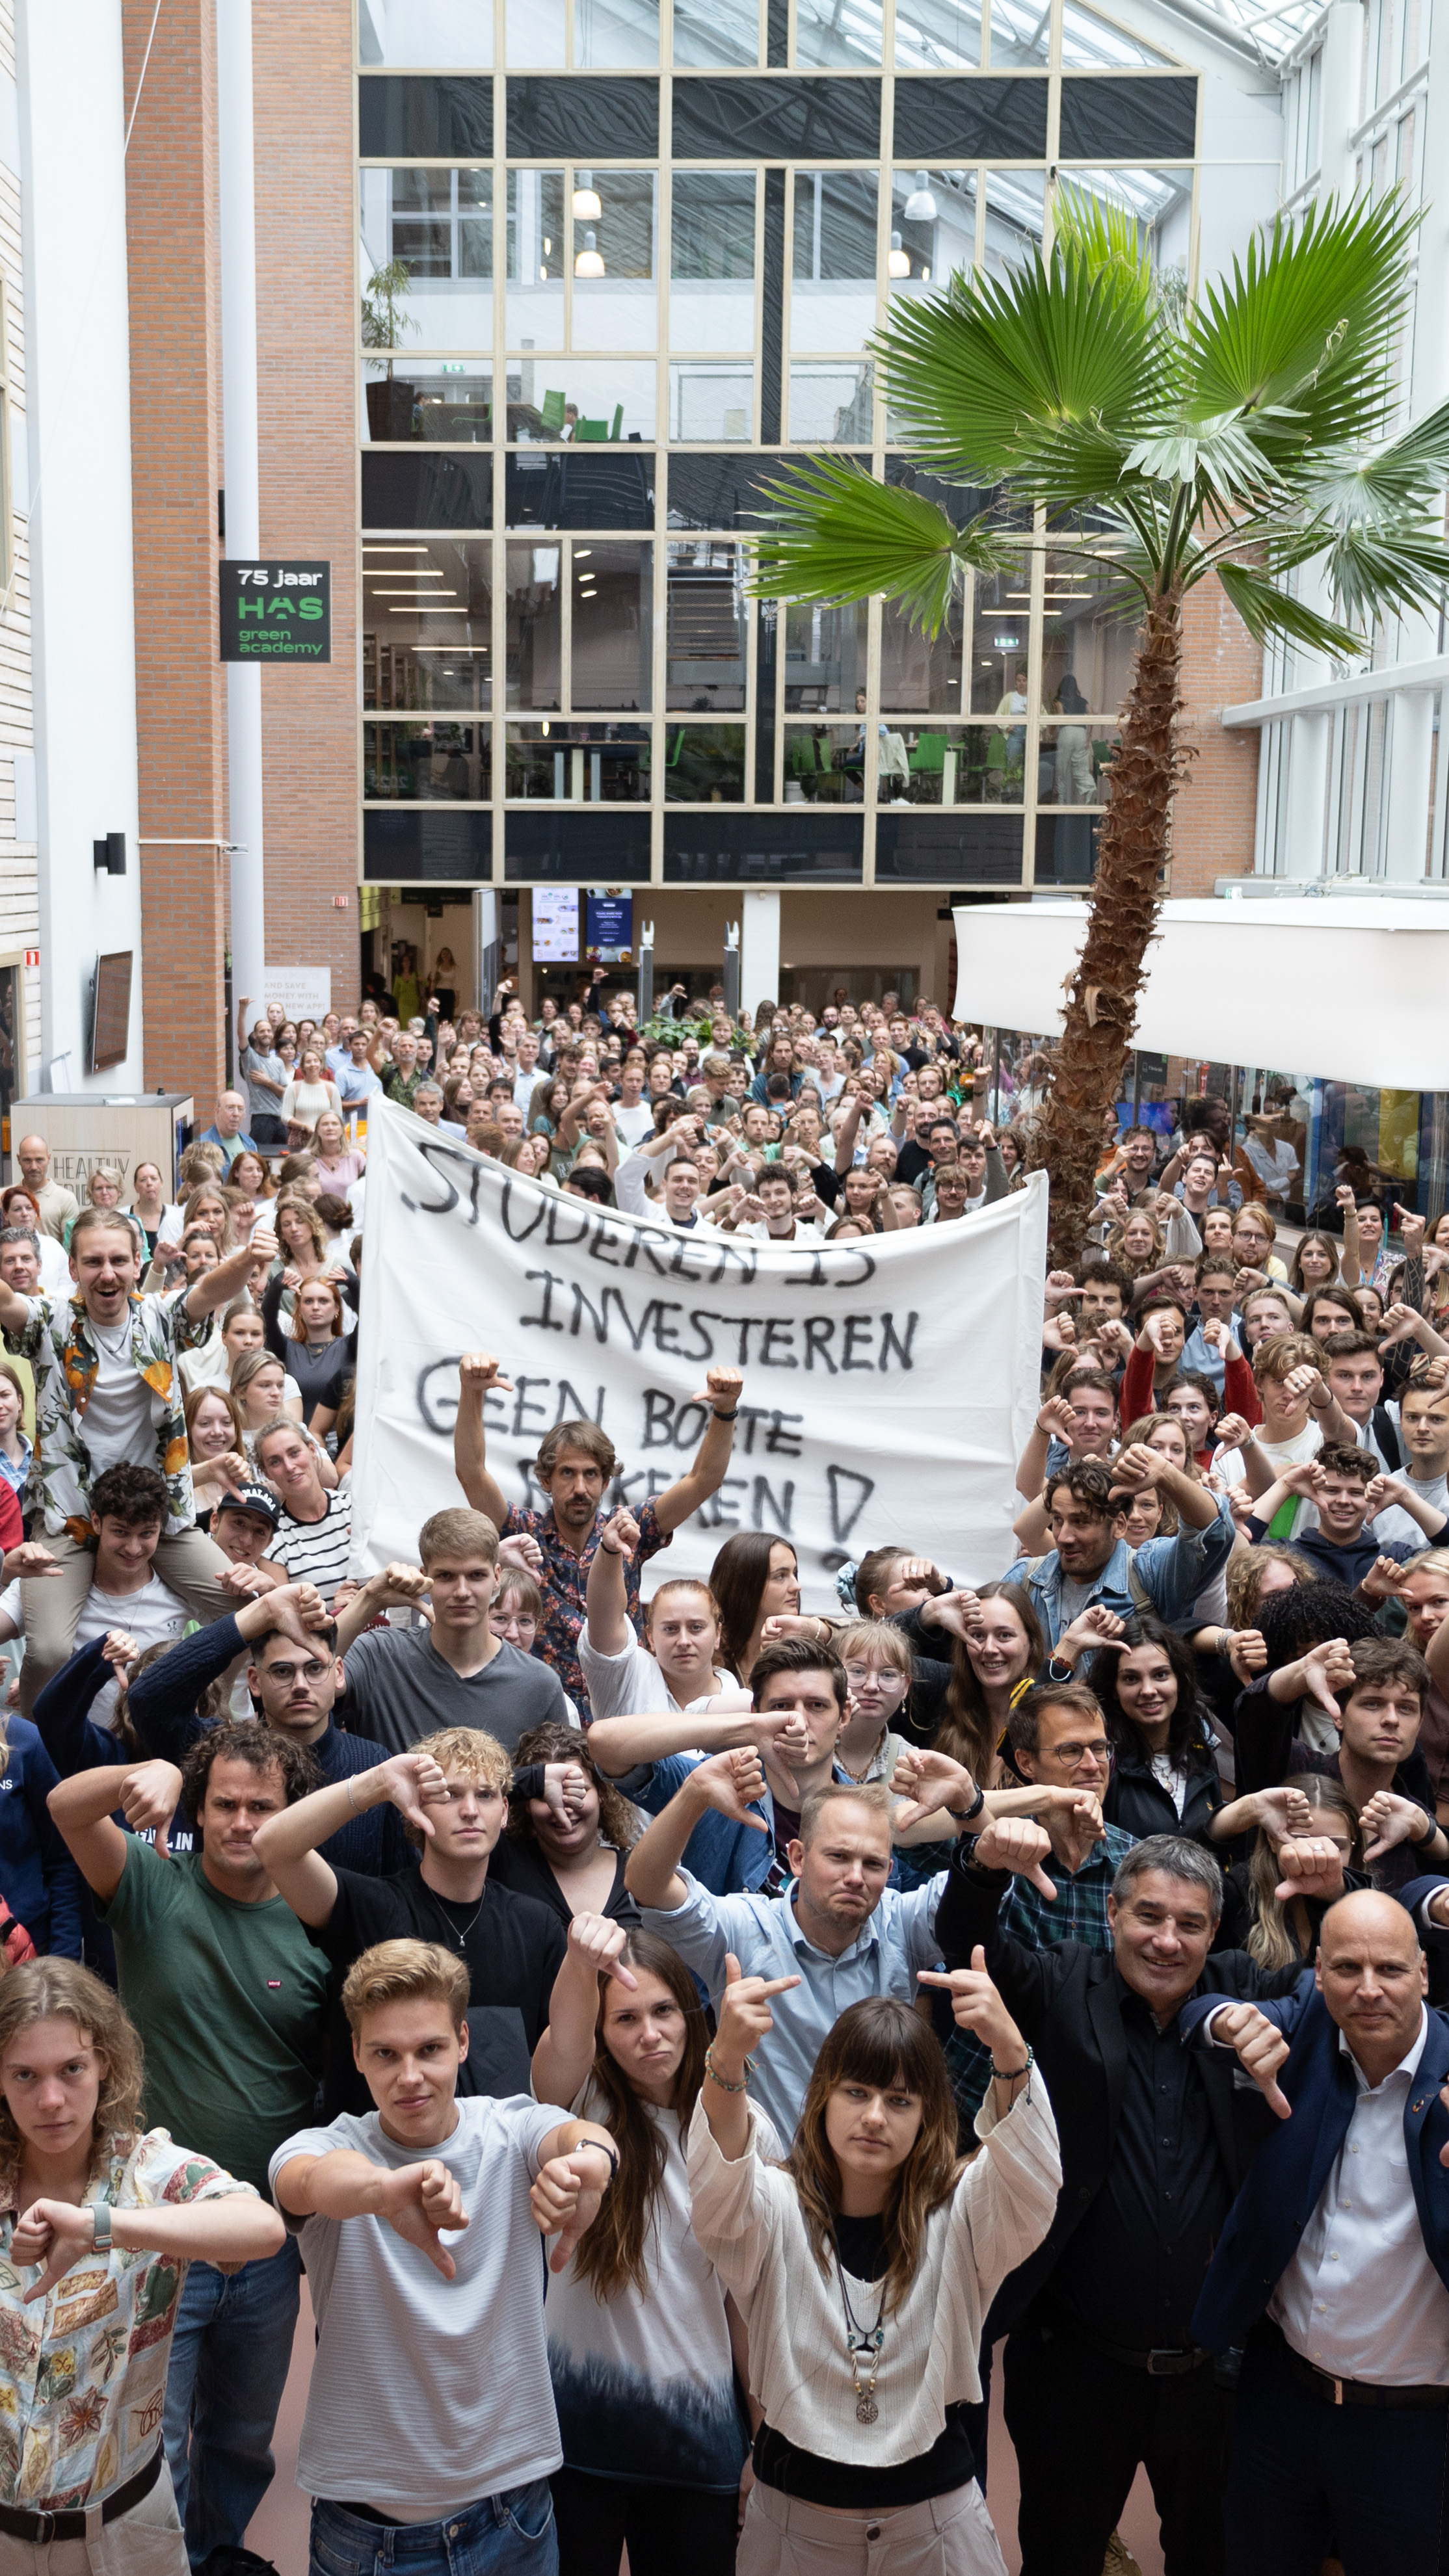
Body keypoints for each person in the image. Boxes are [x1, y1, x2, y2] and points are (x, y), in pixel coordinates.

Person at [935, 1824, 1307, 2576]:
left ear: (1213, 1930)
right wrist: (979, 1863)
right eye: (1148, 1915)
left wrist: (1336, 1892)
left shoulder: (1242, 1991)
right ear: (1111, 1913)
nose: (1166, 1940)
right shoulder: (1064, 1979)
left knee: (1216, 2560)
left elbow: (1337, 1991)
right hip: (1073, 2367)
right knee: (1060, 2558)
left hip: (1216, 2377)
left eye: (1190, 1923)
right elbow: (969, 1944)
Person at [46, 1724, 331, 2567]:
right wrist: (153, 1768)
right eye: (226, 1804)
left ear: (291, 1814)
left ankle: (218, 2557)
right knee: (149, 2440)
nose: (242, 1821)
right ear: (198, 1812)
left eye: (262, 1807)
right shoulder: (148, 1885)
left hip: (266, 2237)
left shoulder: (318, 1915)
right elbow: (66, 1805)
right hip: (153, 2230)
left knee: (243, 2439)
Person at [271, 1937, 618, 2575]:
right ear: (355, 2053)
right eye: (385, 2053)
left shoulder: (510, 2128)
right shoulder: (325, 2143)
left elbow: (573, 2133)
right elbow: (304, 2179)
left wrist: (592, 2162)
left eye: (428, 2048)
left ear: (462, 2039)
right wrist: (381, 2189)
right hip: (367, 2538)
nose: (409, 2075)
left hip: (513, 2516)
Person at [690, 1975, 1059, 2576]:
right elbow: (717, 2193)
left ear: (926, 2116)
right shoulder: (775, 2205)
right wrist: (727, 2056)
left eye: (900, 2100)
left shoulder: (963, 2209)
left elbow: (1034, 2190)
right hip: (796, 2530)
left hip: (936, 2530)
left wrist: (1010, 2051)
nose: (875, 2117)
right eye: (856, 2092)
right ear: (823, 2099)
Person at [1187, 1889, 1449, 2576]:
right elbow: (1198, 2014)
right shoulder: (1304, 2027)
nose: (1367, 1990)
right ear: (1316, 1971)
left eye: (1389, 1969)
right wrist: (1224, 2021)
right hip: (1280, 2397)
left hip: (1413, 2424)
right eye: (1346, 1968)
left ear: (1423, 1972)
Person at [0, 1958, 286, 2572]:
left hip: (124, 2534)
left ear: (104, 2063)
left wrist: (104, 2227)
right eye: (25, 2074)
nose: (51, 2099)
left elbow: (261, 2228)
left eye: (72, 2069)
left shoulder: (146, 2172)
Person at [529, 1926, 749, 2572]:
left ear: (691, 2015)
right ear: (601, 2029)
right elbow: (564, 2036)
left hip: (698, 2442)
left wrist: (763, 2441)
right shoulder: (574, 2103)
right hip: (574, 2443)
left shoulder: (739, 2126)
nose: (649, 2033)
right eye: (624, 2017)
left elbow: (745, 2303)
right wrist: (578, 1957)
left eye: (662, 2011)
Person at [0, 1207, 274, 1716]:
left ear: (137, 1263)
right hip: (71, 1515)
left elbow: (210, 1290)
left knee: (249, 1614)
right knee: (50, 1650)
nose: (107, 1273)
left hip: (158, 1517)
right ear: (75, 1268)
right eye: (94, 1261)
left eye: (119, 1261)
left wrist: (250, 1257)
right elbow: (9, 1302)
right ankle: (39, 1747)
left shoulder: (160, 1316)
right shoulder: (50, 1319)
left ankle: (205, 1717)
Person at [250, 1728, 570, 2118]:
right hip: (376, 2160)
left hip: (494, 2163)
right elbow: (272, 1847)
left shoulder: (538, 1925)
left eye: (485, 1795)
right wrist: (376, 1784)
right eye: (450, 1794)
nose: (470, 1810)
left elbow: (558, 2061)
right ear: (416, 1806)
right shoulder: (371, 1906)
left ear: (504, 1812)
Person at [626, 1774, 959, 2139]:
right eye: (839, 1857)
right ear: (798, 1858)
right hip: (772, 2182)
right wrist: (695, 1793)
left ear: (890, 1872)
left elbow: (983, 1881)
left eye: (873, 1864)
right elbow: (646, 1885)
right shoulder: (745, 1928)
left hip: (874, 2183)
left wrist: (970, 1804)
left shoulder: (902, 1923)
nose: (855, 1877)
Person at [452, 1354, 745, 1713]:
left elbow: (703, 1481)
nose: (580, 1488)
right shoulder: (523, 1533)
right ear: (546, 1479)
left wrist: (725, 1410)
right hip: (545, 1715)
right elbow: (471, 1472)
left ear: (606, 1480)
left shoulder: (627, 1530)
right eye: (567, 1474)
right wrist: (471, 1392)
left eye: (591, 1474)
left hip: (627, 1716)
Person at [331, 1509, 569, 1754]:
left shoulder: (540, 1684)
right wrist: (371, 1598)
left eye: (476, 1575)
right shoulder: (379, 1655)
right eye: (446, 1576)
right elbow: (313, 1676)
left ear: (497, 1578)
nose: (462, 1591)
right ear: (425, 1578)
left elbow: (559, 1780)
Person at [1006, 1453, 1234, 1649]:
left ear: (1119, 1525)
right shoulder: (1026, 1579)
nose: (1064, 1537)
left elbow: (1214, 1534)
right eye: (1057, 1519)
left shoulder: (1148, 1573)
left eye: (1081, 1522)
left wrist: (1165, 1473)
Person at [580, 1511, 735, 1718]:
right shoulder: (628, 1678)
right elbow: (604, 1618)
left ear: (717, 1634)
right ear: (651, 1638)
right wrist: (609, 1551)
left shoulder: (742, 1700)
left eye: (696, 1627)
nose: (684, 1641)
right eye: (670, 1629)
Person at [490, 1722, 641, 1927]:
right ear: (526, 1804)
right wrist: (537, 1778)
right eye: (545, 1796)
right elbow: (471, 1796)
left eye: (577, 1792)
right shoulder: (500, 1861)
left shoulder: (638, 1875)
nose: (563, 1809)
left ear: (602, 1794)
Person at [252, 1415, 353, 1607]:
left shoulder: (354, 1507)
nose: (290, 1467)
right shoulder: (270, 1541)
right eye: (275, 1462)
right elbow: (284, 1616)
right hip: (324, 1634)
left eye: (294, 1453)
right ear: (266, 1473)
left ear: (313, 1450)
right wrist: (339, 1613)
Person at [14, 1138, 79, 1244]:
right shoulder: (4, 1197)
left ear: (49, 1159)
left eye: (39, 1160)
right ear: (19, 1159)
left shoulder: (66, 1199)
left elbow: (70, 1248)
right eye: (27, 1160)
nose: (34, 1167)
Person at [198, 1092, 257, 1168]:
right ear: (217, 1111)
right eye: (230, 1108)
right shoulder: (201, 1146)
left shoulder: (250, 1144)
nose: (236, 1113)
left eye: (240, 1109)